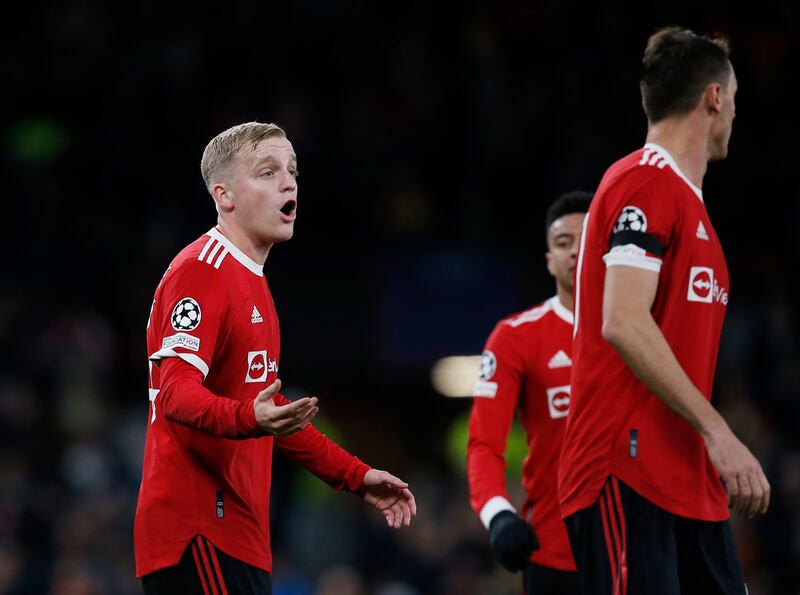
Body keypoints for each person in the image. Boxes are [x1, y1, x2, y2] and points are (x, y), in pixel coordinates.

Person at [134, 122, 416, 594]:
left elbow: (271, 413)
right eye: (267, 172)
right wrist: (251, 417)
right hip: (199, 529)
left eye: (292, 170)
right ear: (224, 196)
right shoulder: (204, 272)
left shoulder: (254, 283)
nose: (288, 183)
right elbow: (175, 394)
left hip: (238, 535)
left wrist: (356, 476)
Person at [558, 27, 770, 595]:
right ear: (715, 98)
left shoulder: (690, 209)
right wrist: (718, 430)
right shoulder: (643, 183)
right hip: (624, 471)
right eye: (735, 100)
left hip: (688, 480)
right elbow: (622, 320)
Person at [467, 191, 592, 595]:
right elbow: (484, 444)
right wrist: (498, 513)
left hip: (640, 546)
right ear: (549, 260)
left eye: (587, 238)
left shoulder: (644, 334)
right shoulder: (516, 338)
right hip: (553, 550)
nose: (575, 251)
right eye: (562, 243)